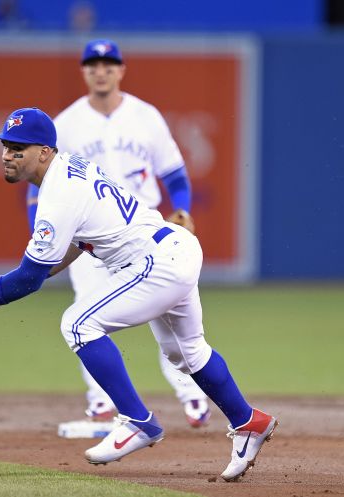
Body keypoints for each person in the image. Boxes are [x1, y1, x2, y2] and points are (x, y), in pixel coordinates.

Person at [0, 107, 278, 482]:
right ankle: (248, 421)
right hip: (174, 248)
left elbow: (29, 279)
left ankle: (138, 421)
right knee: (187, 352)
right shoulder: (70, 168)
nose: (7, 154)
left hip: (155, 261)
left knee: (77, 324)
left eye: (18, 148)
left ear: (44, 151)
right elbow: (72, 247)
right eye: (5, 145)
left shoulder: (58, 193)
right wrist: (3, 286)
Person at [26, 39, 210, 438]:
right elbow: (38, 188)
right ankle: (102, 405)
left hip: (142, 231)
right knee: (84, 317)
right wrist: (40, 235)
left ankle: (192, 394)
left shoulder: (146, 117)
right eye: (93, 63)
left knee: (170, 322)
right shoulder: (68, 123)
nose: (101, 69)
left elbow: (175, 174)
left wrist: (183, 206)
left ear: (121, 70)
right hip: (88, 240)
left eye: (109, 63)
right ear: (84, 71)